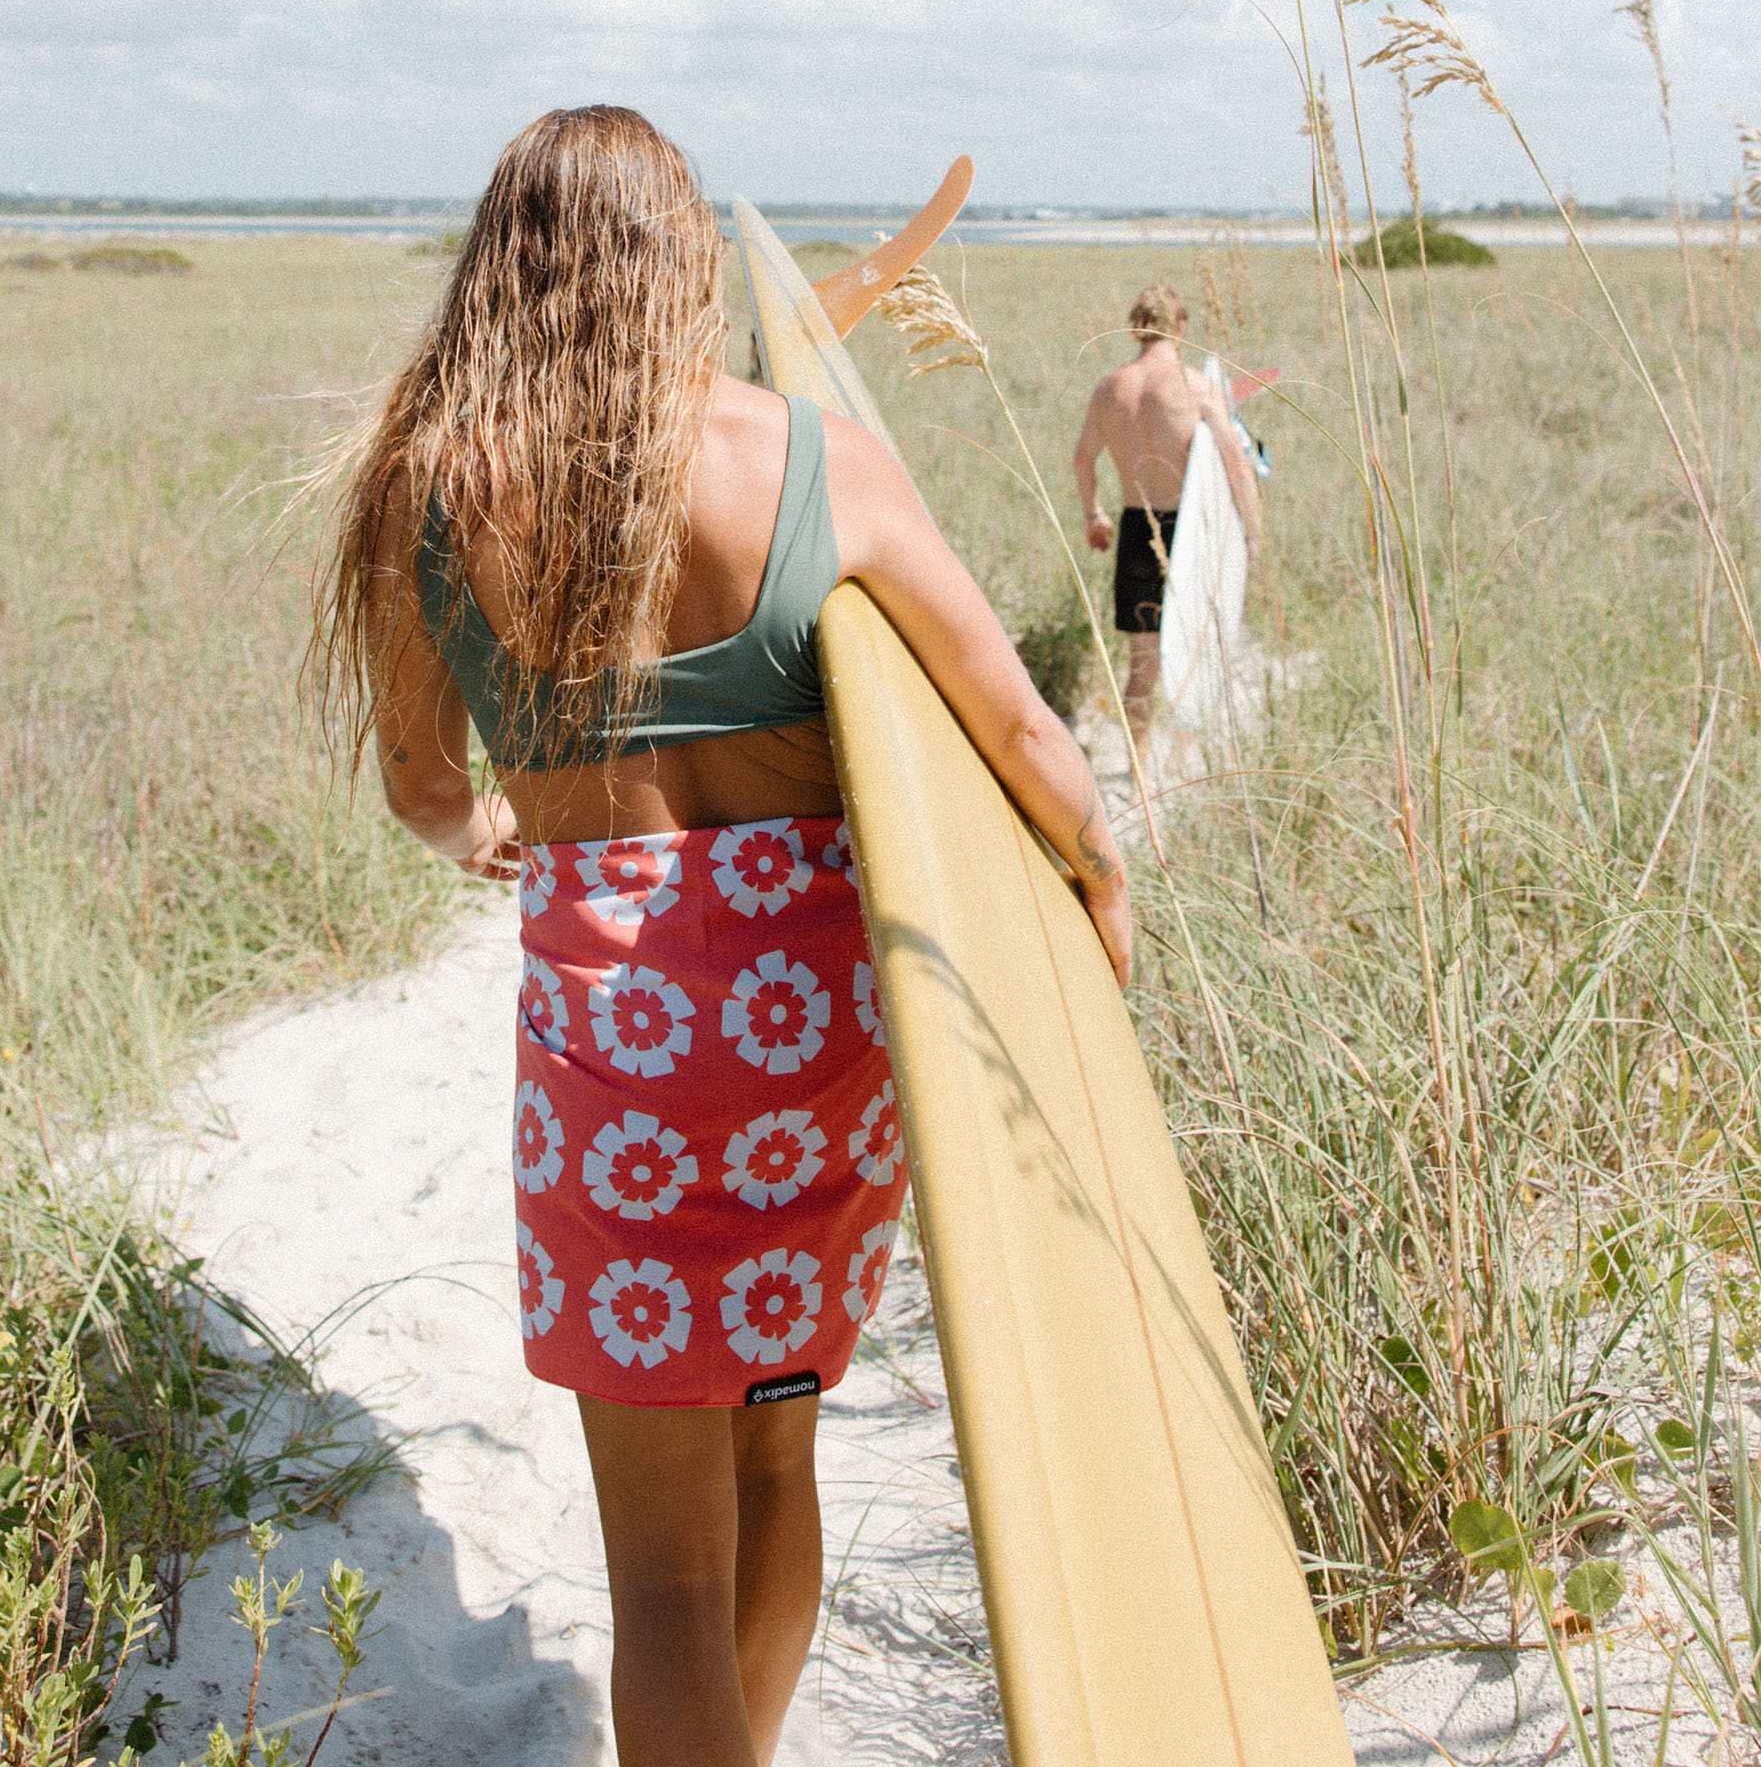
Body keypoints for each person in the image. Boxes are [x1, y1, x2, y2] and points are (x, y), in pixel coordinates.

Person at [311, 106, 1130, 1766]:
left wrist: (490, 832)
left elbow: (418, 782)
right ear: (679, 260)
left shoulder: (430, 485)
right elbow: (1020, 731)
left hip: (612, 1059)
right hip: (804, 1049)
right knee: (777, 1455)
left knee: (665, 1574)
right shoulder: (805, 458)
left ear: (500, 268)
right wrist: (1100, 891)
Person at [1073, 282, 1263, 760]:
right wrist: (1253, 533)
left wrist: (1094, 513)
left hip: (1136, 529)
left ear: (1136, 326)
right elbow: (1238, 465)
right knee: (1196, 654)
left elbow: (1083, 459)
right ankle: (1183, 757)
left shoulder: (1110, 388)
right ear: (1180, 326)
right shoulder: (1196, 387)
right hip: (1189, 533)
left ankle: (1139, 775)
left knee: (1143, 665)